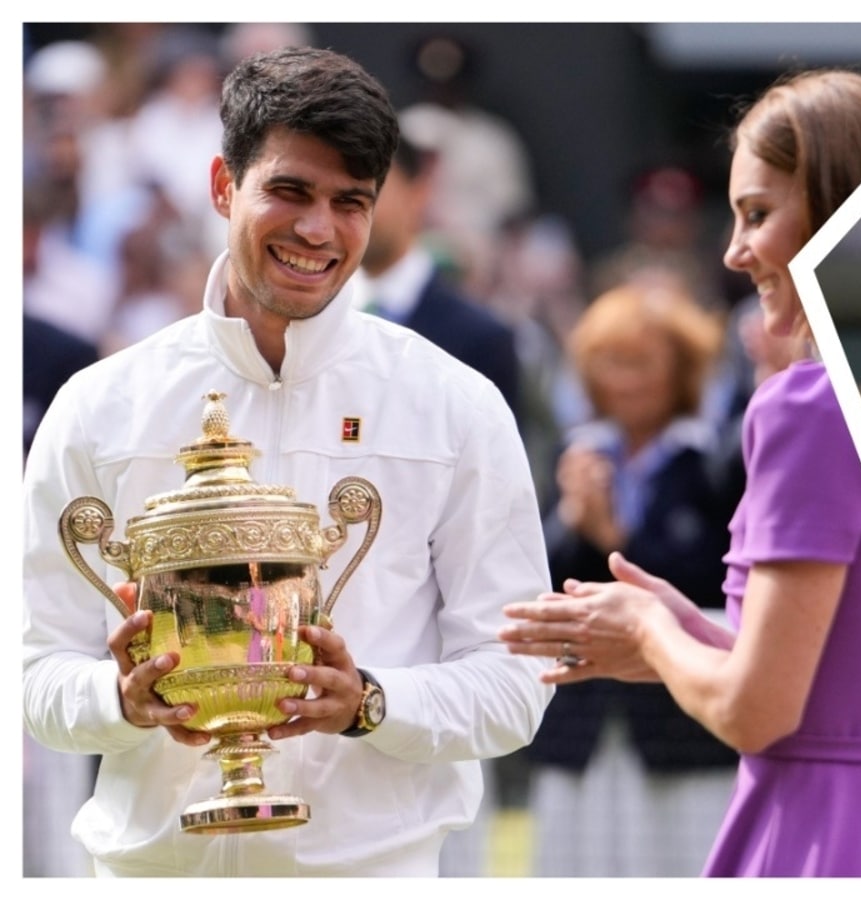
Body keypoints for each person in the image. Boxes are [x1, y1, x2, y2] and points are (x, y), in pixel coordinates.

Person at [22, 46, 552, 877]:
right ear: (222, 185)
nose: (317, 230)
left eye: (350, 202)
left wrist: (371, 701)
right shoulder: (100, 405)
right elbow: (34, 670)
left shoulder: (456, 403)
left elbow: (517, 680)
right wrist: (119, 700)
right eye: (290, 191)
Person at [502, 69, 861, 877]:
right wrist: (690, 629)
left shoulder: (801, 405)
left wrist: (651, 632)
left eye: (758, 215)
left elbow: (757, 711)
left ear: (838, 208)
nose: (734, 252)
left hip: (816, 838)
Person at [523, 283, 740, 876]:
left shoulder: (716, 460)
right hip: (583, 719)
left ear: (681, 370)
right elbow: (535, 578)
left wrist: (617, 540)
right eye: (610, 362)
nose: (624, 380)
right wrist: (574, 519)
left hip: (682, 722)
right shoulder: (576, 456)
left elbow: (717, 581)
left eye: (641, 362)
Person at [358, 132, 523, 423]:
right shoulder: (307, 317)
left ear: (418, 193)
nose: (354, 205)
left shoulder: (481, 337)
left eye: (372, 188)